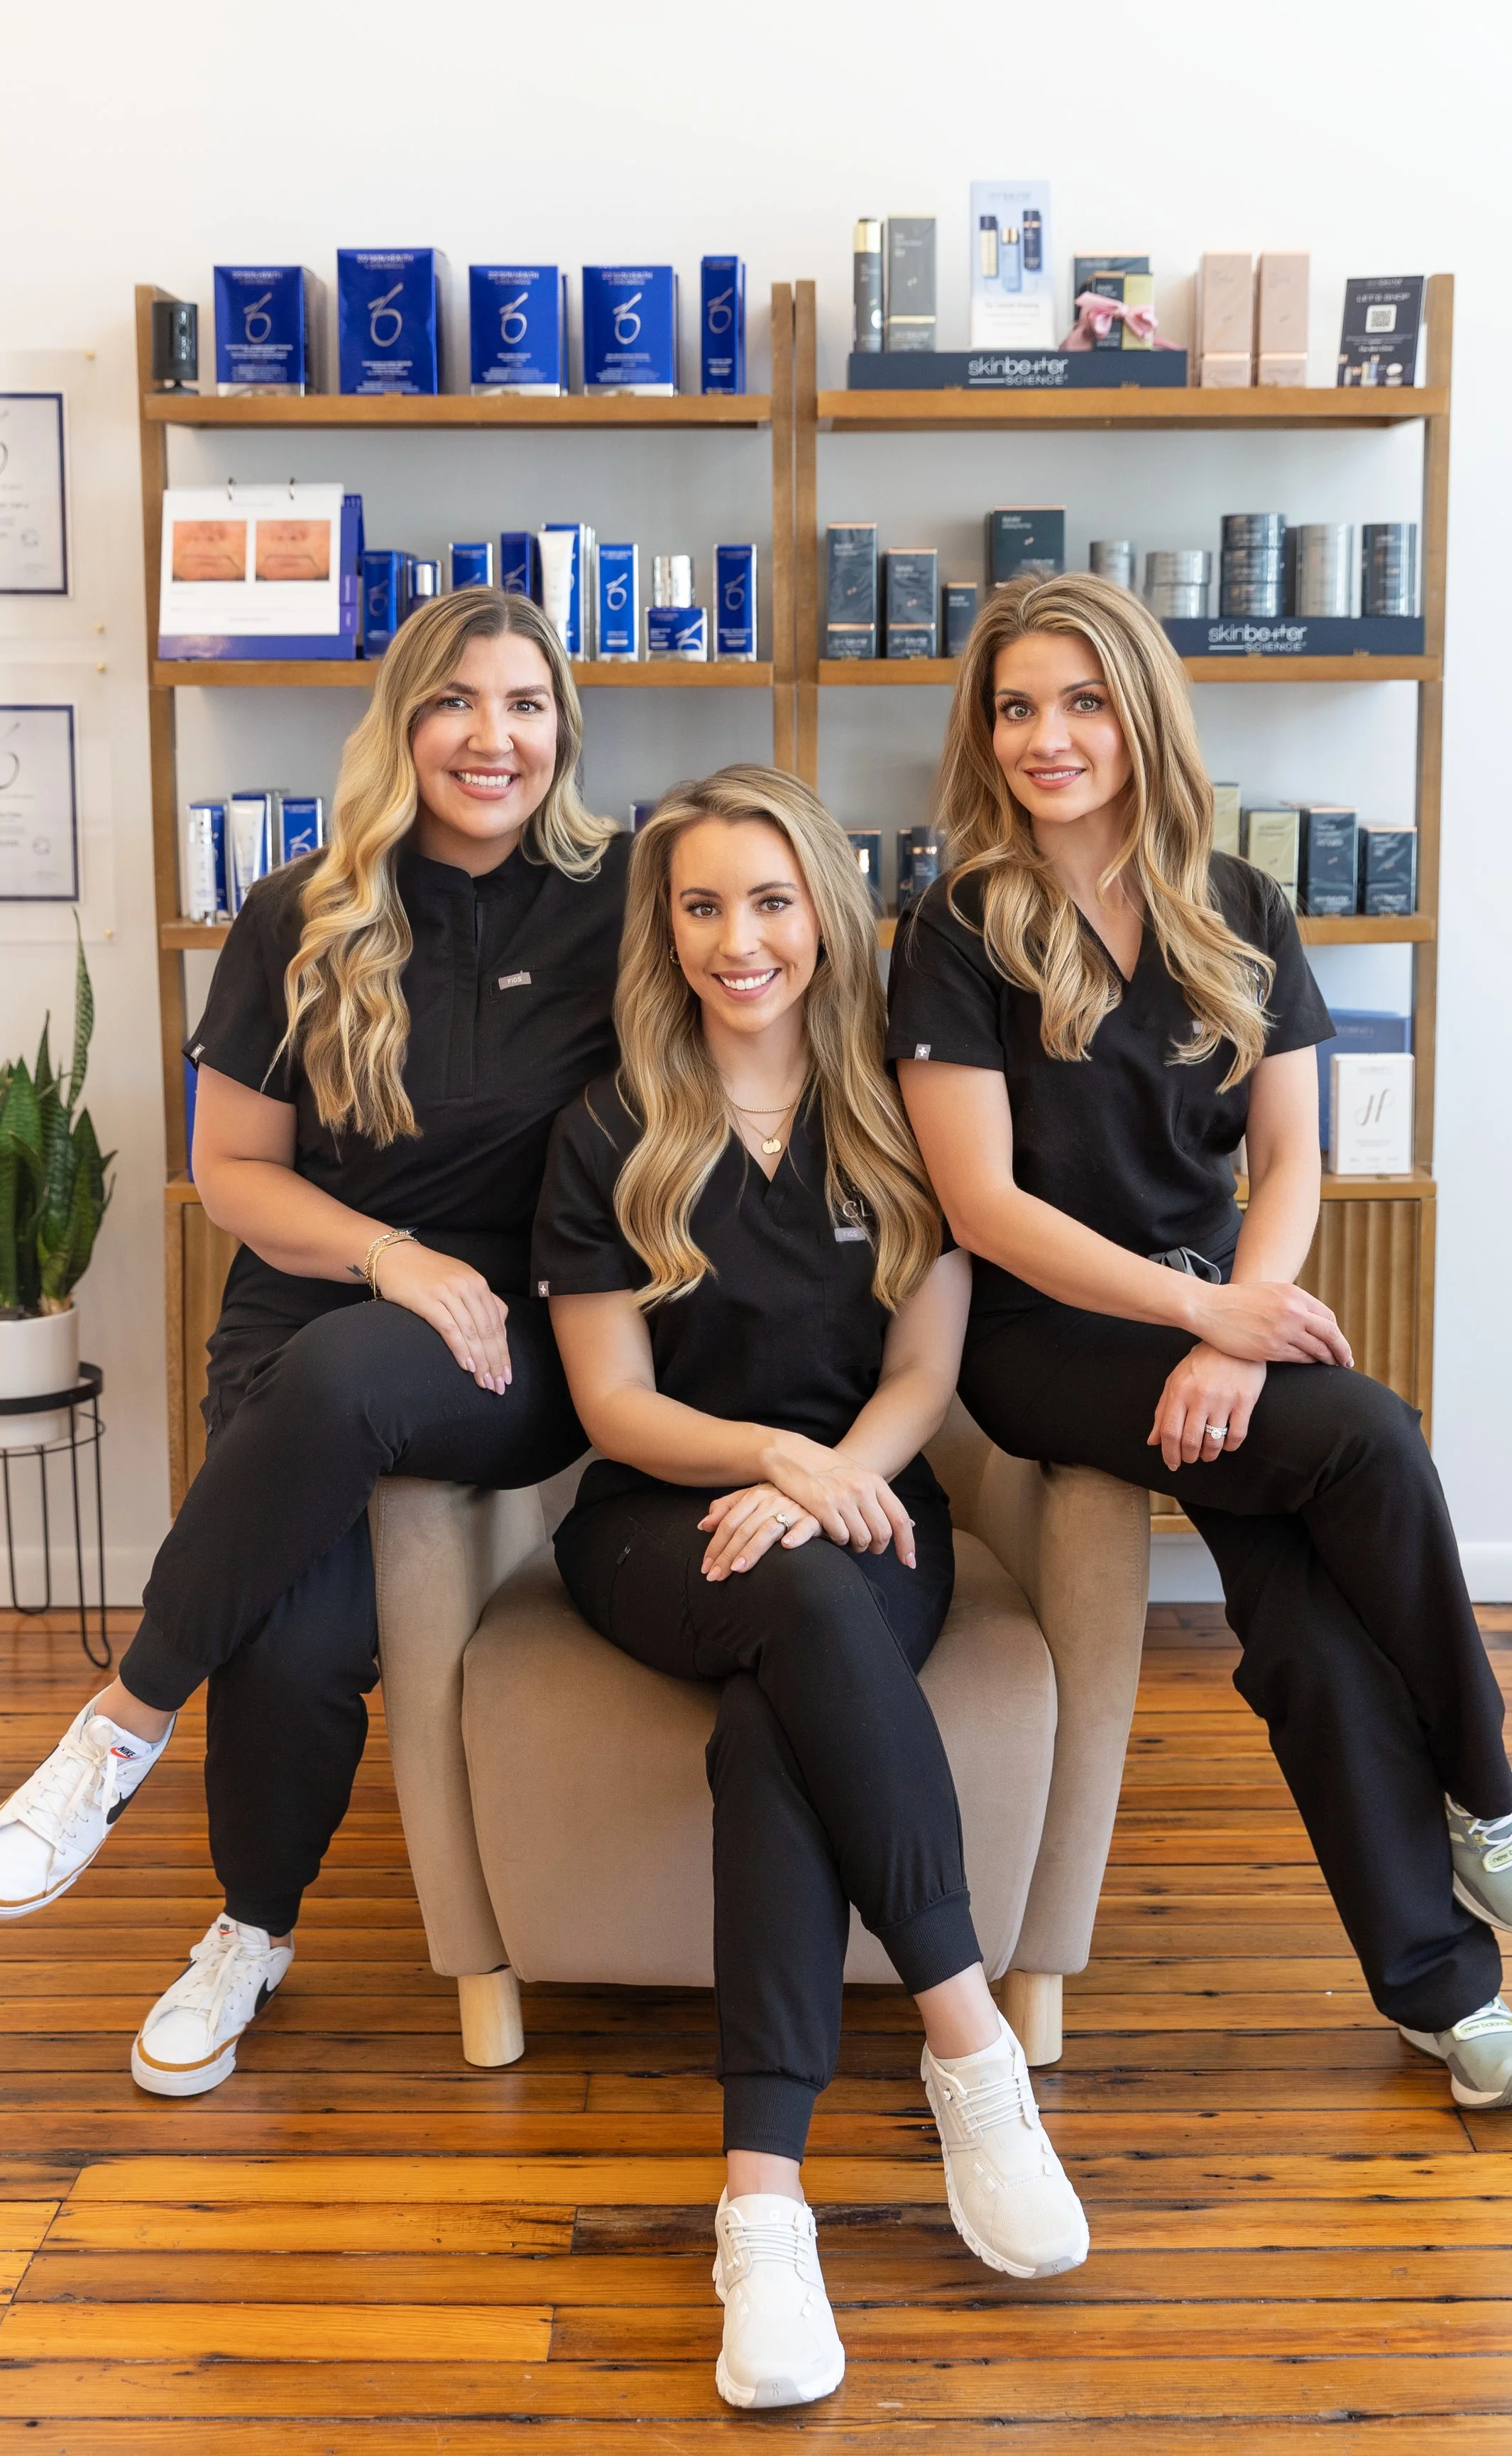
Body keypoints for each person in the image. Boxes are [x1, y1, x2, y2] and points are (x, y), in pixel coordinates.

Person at [888, 572, 1512, 2114]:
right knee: (1370, 1430)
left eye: (1078, 701)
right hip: (1045, 1335)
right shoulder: (956, 926)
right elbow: (981, 1206)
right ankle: (1485, 1787)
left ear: (1139, 713)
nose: (1046, 737)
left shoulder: (1239, 903)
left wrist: (1239, 1333)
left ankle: (1441, 1999)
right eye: (1014, 707)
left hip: (1213, 1313)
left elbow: (1289, 1159)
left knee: (1311, 1640)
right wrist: (1206, 1316)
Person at [0, 588, 628, 2096]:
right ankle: (250, 1932)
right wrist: (387, 1256)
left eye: (526, 704)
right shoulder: (300, 911)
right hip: (316, 1301)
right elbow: (241, 1177)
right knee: (300, 1632)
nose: (492, 736)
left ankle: (119, 1725)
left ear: (561, 732)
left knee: (347, 1379)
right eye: (457, 702)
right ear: (403, 722)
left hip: (518, 1334)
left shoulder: (625, 896)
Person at [535, 764, 1088, 2411]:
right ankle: (969, 2052)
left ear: (823, 916)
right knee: (800, 1601)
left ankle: (760, 2209)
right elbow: (612, 1409)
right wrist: (776, 1466)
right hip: (655, 1524)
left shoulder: (899, 1114)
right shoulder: (611, 1127)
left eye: (768, 901)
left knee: (786, 1703)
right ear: (665, 925)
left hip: (862, 1520)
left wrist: (836, 1477)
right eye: (700, 904)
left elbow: (925, 1367)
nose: (735, 938)